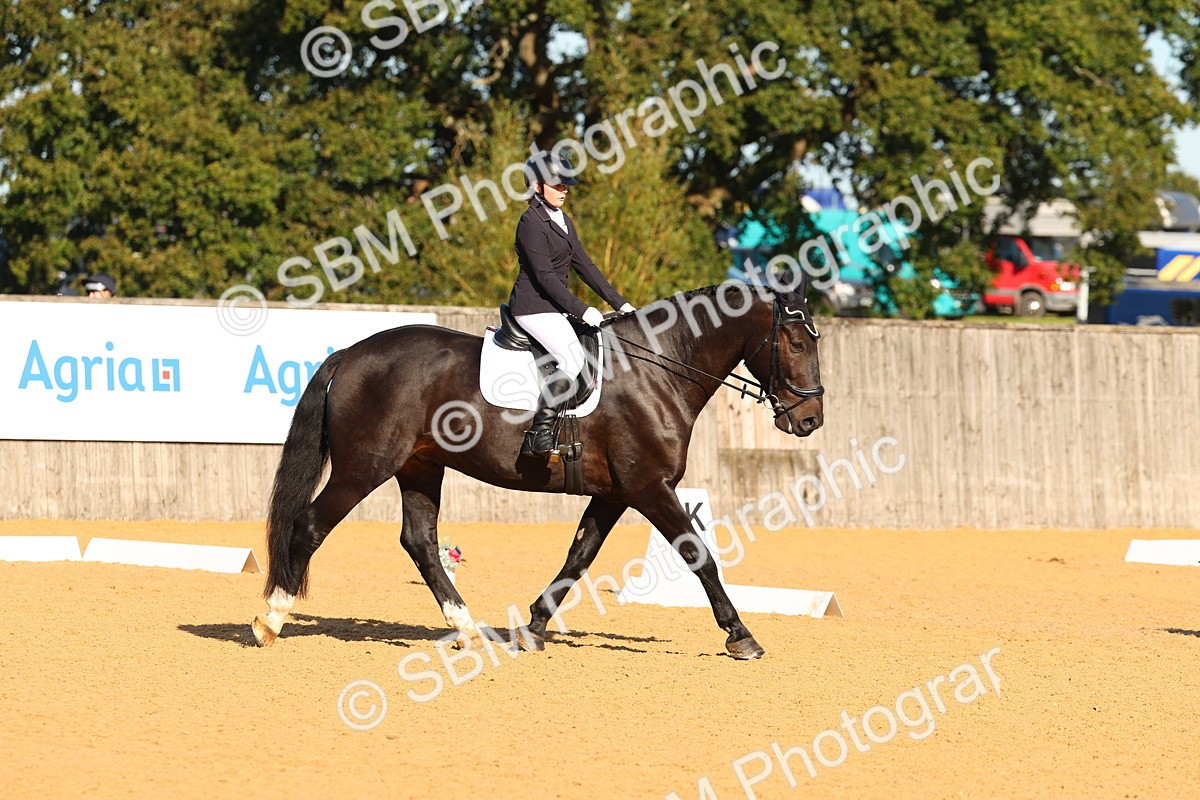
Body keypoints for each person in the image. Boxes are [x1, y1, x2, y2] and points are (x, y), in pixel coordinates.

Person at [510, 151, 636, 458]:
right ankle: (538, 433)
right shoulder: (530, 223)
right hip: (532, 306)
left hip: (552, 306)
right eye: (558, 185)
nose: (565, 190)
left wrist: (620, 304)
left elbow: (586, 266)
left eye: (567, 185)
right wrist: (583, 309)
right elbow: (545, 277)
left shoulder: (562, 220)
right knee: (571, 358)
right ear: (537, 186)